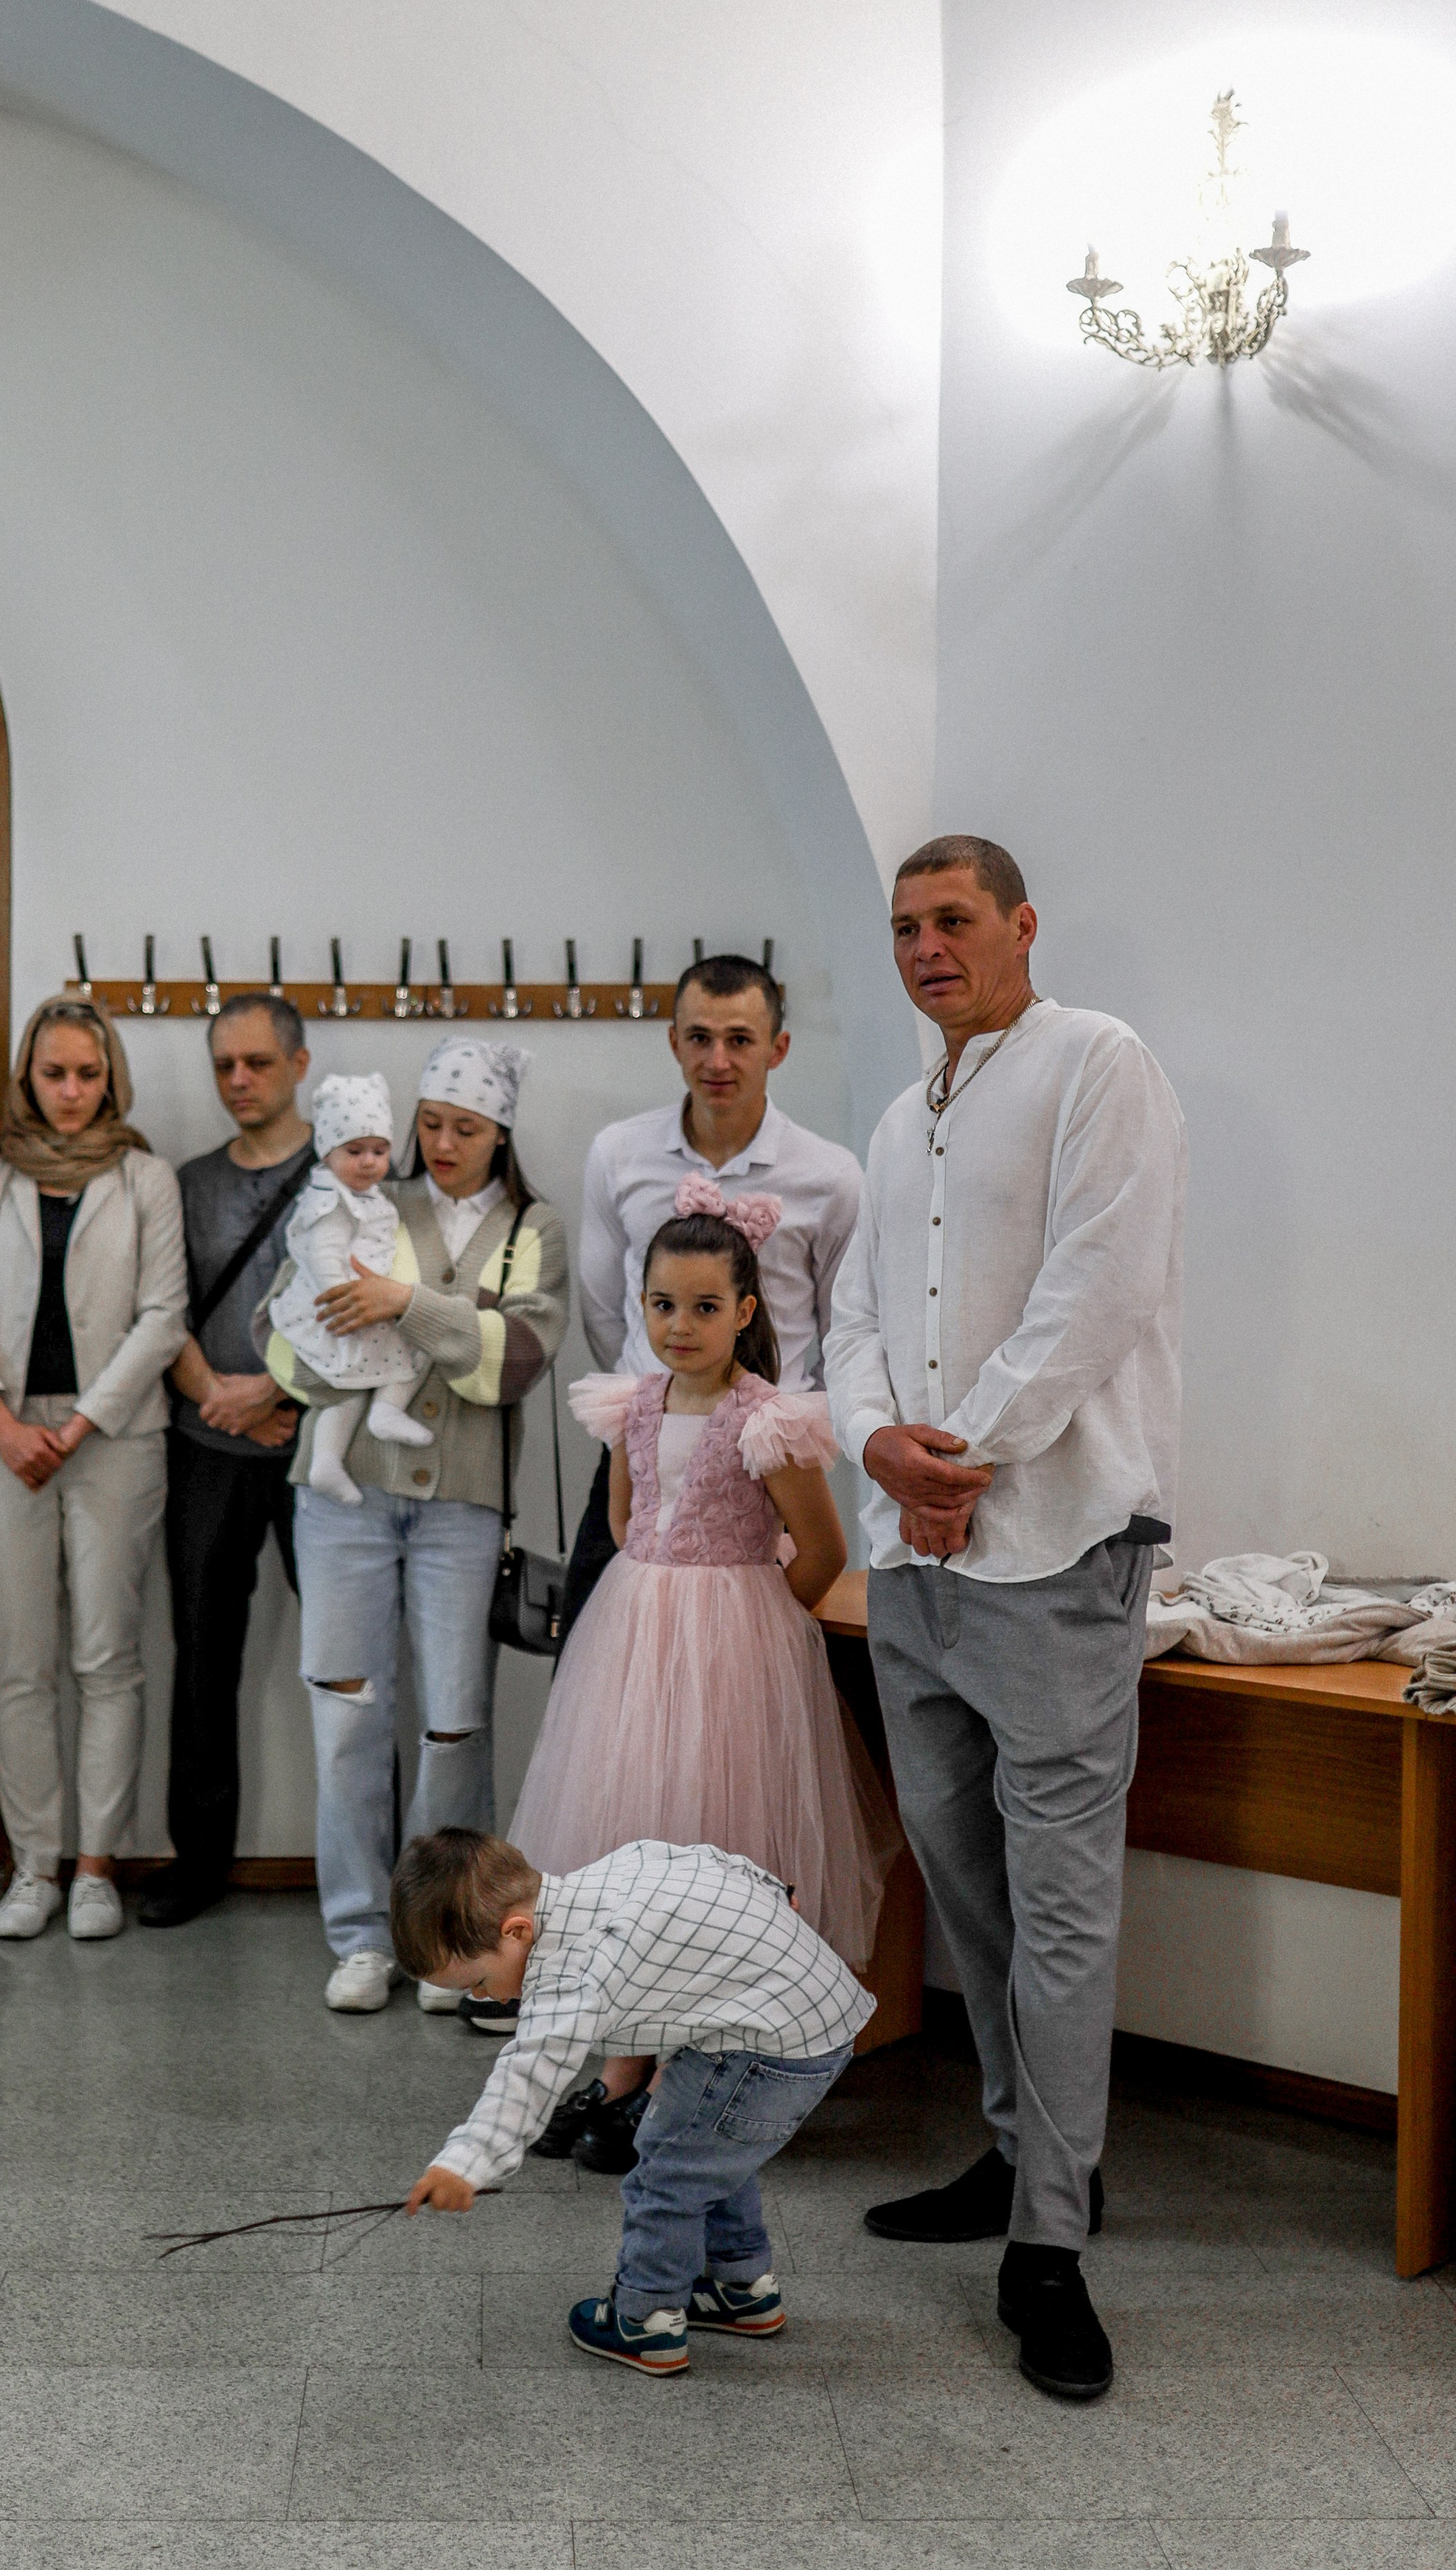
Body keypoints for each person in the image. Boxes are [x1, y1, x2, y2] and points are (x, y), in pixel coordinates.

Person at [823, 836, 1186, 2406]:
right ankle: (1019, 2151)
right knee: (967, 1887)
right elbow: (849, 1317)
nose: (926, 946)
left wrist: (956, 1456)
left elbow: (1098, 1288)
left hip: (1050, 1552)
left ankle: (1049, 2245)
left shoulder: (1097, 1064)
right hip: (916, 1572)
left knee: (1059, 1909)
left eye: (953, 919)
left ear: (1021, 924)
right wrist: (875, 1447)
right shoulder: (901, 1114)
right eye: (905, 926)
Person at [509, 1183, 897, 2172]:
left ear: (746, 1311)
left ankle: (677, 2080)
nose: (680, 1326)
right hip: (635, 1638)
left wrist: (752, 1616)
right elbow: (623, 1519)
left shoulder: (767, 1420)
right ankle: (621, 2068)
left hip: (732, 1645)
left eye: (705, 1307)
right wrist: (662, 1585)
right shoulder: (633, 1406)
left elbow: (821, 1549)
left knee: (709, 1847)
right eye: (663, 1305)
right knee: (628, 1843)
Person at [258, 1035, 569, 2015]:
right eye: (429, 1124)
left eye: (465, 1128)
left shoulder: (532, 1229)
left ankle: (452, 1938)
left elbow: (517, 1363)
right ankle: (360, 1936)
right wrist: (351, 1354)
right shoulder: (364, 1194)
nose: (441, 1143)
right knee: (346, 1715)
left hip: (463, 1507)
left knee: (453, 1724)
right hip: (344, 1495)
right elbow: (279, 1328)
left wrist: (402, 1304)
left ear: (500, 1132)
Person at [393, 1828, 873, 2377]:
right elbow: (712, 1859)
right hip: (808, 2013)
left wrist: (463, 2165)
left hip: (770, 2046)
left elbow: (525, 2077)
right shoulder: (622, 1866)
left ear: (517, 1932)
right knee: (709, 2158)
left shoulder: (570, 1972)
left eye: (477, 1981)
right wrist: (774, 1890)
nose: (482, 1997)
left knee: (665, 2175)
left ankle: (646, 2319)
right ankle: (738, 2287)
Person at [0, 998, 187, 1943]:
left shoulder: (145, 1179)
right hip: (4, 1439)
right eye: (54, 1074)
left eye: (89, 1074)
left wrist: (79, 1425)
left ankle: (95, 1868)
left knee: (107, 1659)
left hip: (113, 1440)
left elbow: (162, 1318)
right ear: (27, 1078)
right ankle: (35, 1864)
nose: (72, 1092)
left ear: (111, 1077)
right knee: (23, 1665)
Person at [567, 952, 863, 1630]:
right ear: (674, 1041)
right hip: (644, 1449)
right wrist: (667, 1394)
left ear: (778, 1049)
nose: (718, 1060)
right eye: (700, 1037)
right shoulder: (619, 1153)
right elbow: (604, 1309)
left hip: (765, 1462)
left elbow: (846, 1328)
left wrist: (775, 1417)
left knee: (747, 1651)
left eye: (740, 1040)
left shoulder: (831, 1176)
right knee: (602, 1648)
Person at [141, 993, 316, 1931]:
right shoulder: (188, 1183)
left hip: (314, 1449)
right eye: (224, 1066)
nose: (239, 1081)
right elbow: (161, 1306)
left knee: (346, 1662)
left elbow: (358, 1310)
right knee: (203, 1654)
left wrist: (276, 1395)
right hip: (206, 1445)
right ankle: (197, 1858)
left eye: (257, 1062)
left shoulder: (346, 1172)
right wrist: (220, 1397)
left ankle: (373, 1868)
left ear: (299, 1065)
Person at [265, 1072, 435, 1502]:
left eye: (379, 1151)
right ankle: (365, 1428)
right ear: (327, 1152)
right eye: (355, 1151)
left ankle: (351, 1440)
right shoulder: (329, 1200)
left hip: (364, 1303)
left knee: (359, 1383)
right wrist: (344, 1299)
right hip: (343, 1308)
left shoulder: (367, 1196)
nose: (369, 1162)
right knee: (395, 1361)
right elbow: (322, 1256)